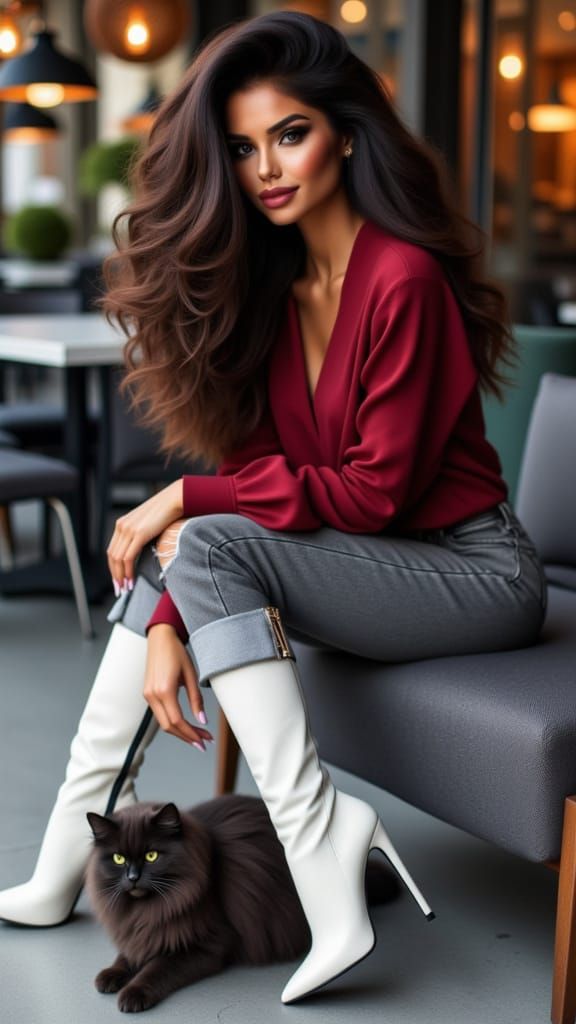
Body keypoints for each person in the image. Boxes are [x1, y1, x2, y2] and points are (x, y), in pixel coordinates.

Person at [0, 9, 547, 1007]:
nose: (266, 168)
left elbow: (371, 493)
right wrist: (169, 616)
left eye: (288, 134)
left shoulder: (405, 281)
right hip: (363, 557)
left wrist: (178, 497)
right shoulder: (275, 287)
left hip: (471, 573)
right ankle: (58, 865)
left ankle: (321, 844)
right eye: (244, 148)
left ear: (343, 129)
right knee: (197, 546)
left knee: (197, 528)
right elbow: (265, 488)